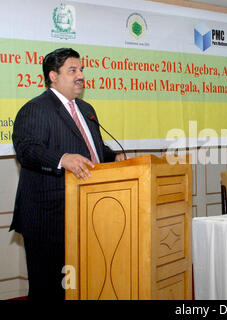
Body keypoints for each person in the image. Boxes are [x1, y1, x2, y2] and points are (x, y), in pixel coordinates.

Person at [10, 48, 127, 300]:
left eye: (81, 69)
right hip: (48, 218)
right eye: (72, 70)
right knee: (50, 289)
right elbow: (27, 150)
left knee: (78, 286)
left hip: (87, 213)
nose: (80, 75)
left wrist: (112, 156)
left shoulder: (86, 109)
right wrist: (62, 159)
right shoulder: (36, 109)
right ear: (53, 76)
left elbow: (92, 150)